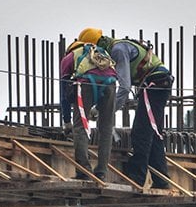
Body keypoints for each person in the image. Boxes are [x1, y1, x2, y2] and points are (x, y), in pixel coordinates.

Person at [96, 34, 174, 188]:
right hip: (158, 83)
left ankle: (136, 178)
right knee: (153, 133)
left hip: (155, 84)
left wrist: (107, 112)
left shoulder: (118, 50)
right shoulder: (120, 47)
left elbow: (124, 88)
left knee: (141, 132)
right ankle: (161, 181)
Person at [59, 27, 117, 181]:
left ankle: (84, 171)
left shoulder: (70, 57)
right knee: (106, 128)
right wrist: (97, 108)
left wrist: (66, 121)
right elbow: (105, 74)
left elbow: (63, 92)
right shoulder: (101, 53)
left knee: (81, 127)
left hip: (86, 84)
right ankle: (101, 172)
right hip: (111, 84)